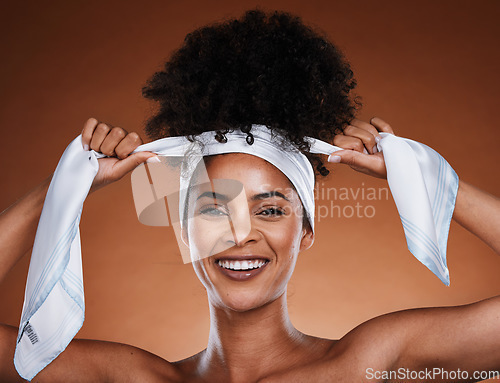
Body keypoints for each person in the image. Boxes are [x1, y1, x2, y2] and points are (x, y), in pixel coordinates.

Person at [1, 9, 499, 383]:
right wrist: (61, 192)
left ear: (305, 231)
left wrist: (419, 178)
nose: (241, 233)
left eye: (270, 208)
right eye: (214, 207)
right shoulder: (128, 378)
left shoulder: (370, 364)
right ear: (183, 230)